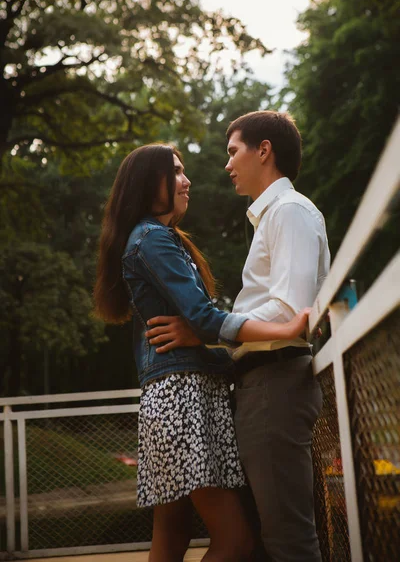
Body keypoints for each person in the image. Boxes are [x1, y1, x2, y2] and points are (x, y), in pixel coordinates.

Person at [93, 143, 313, 562]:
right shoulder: (152, 239)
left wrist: (220, 351)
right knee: (237, 542)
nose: (186, 179)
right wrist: (285, 328)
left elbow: (196, 330)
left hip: (176, 396)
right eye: (175, 171)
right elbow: (203, 317)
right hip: (184, 401)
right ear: (147, 183)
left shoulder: (156, 238)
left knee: (172, 532)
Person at [145, 112, 330, 561]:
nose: (227, 165)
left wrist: (210, 329)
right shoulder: (271, 217)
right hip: (261, 384)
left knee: (288, 537)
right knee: (268, 538)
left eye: (233, 151)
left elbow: (291, 310)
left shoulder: (289, 212)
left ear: (263, 150)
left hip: (277, 382)